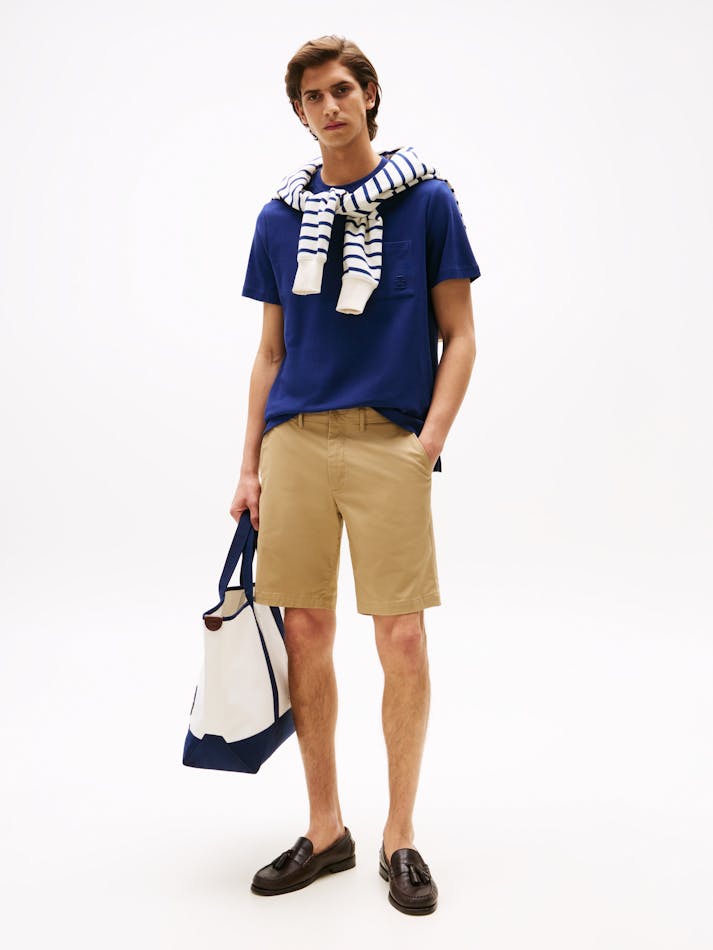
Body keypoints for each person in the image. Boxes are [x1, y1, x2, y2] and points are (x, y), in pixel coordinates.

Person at [230, 34, 481, 916]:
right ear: (299, 112)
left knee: (401, 636)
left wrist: (425, 442)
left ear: (369, 95)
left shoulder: (428, 203)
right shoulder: (278, 219)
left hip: (388, 443)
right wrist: (249, 464)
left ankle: (398, 836)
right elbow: (269, 352)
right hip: (295, 441)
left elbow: (461, 336)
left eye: (341, 89)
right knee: (305, 630)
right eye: (312, 97)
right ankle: (325, 827)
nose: (328, 106)